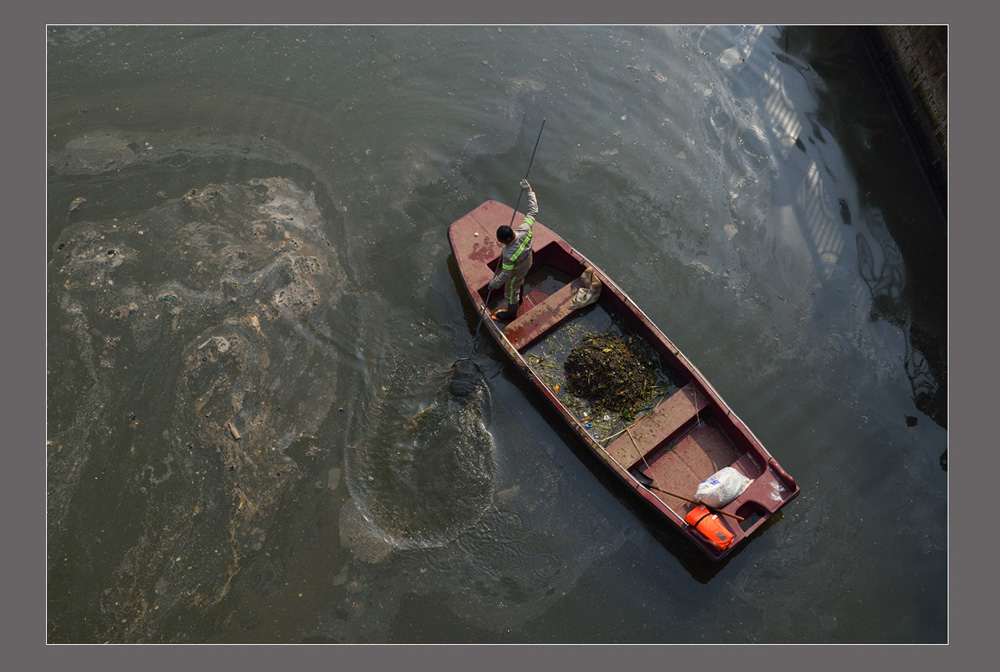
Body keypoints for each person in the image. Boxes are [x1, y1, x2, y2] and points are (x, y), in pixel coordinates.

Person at [489, 179, 537, 322]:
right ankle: (520, 298)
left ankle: (511, 314)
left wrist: (494, 284)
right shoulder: (525, 229)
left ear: (508, 240)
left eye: (501, 241)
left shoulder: (509, 254)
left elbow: (506, 274)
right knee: (520, 280)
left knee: (511, 291)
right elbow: (533, 211)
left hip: (516, 269)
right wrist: (529, 191)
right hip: (527, 261)